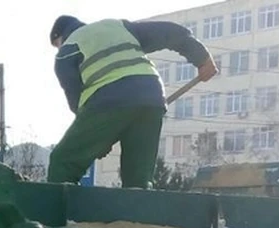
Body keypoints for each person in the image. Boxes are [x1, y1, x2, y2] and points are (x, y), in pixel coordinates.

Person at [46, 15, 217, 189]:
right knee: (137, 181)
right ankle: (136, 215)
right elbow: (169, 32)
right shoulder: (117, 27)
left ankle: (56, 215)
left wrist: (99, 141)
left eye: (56, 45)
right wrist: (202, 58)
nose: (58, 49)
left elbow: (78, 104)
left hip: (107, 101)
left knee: (63, 162)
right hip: (151, 97)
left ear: (60, 37)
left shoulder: (66, 52)